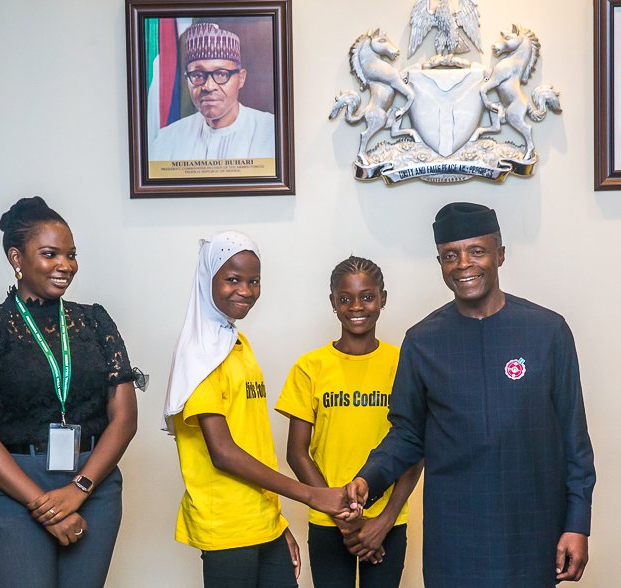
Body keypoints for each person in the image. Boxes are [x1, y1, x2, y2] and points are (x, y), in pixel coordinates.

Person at [345, 202, 596, 587]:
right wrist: (369, 478)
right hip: (454, 533)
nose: (463, 264)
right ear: (440, 263)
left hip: (532, 526)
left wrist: (577, 524)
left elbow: (574, 441)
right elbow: (407, 435)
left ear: (500, 254)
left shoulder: (548, 332)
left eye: (477, 251)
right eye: (450, 255)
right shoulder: (422, 341)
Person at [0, 196, 142, 588]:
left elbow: (125, 419)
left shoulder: (95, 322)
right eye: (50, 254)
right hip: (12, 488)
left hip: (92, 483)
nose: (65, 265)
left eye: (71, 255)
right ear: (17, 258)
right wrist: (45, 505)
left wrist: (80, 488)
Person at [162, 232, 361, 587]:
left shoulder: (237, 344)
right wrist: (312, 495)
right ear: (208, 279)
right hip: (226, 527)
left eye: (253, 281)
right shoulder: (199, 354)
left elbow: (254, 445)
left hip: (263, 523)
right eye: (232, 279)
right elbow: (223, 453)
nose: (245, 290)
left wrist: (277, 523)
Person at [275, 256, 423, 588]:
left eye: (367, 296)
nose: (356, 306)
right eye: (345, 298)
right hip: (328, 521)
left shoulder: (403, 363)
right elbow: (296, 452)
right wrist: (342, 517)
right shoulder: (310, 367)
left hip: (387, 518)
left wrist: (383, 521)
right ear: (333, 302)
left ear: (383, 298)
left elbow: (415, 448)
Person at [149, 22, 275, 161]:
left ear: (241, 78)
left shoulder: (272, 133)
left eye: (221, 74)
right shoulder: (168, 140)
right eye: (197, 75)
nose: (208, 86)